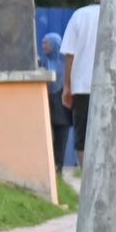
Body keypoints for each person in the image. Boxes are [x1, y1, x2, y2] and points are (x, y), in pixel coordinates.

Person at [60, 0, 105, 179]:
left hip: (83, 86)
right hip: (109, 88)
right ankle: (105, 178)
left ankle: (88, 181)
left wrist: (67, 86)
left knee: (82, 137)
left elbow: (70, 54)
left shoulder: (80, 16)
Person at [42, 31, 72, 181]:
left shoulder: (66, 64)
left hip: (62, 109)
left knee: (61, 139)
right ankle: (48, 167)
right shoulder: (42, 63)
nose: (44, 46)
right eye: (43, 43)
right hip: (47, 105)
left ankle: (58, 168)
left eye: (46, 43)